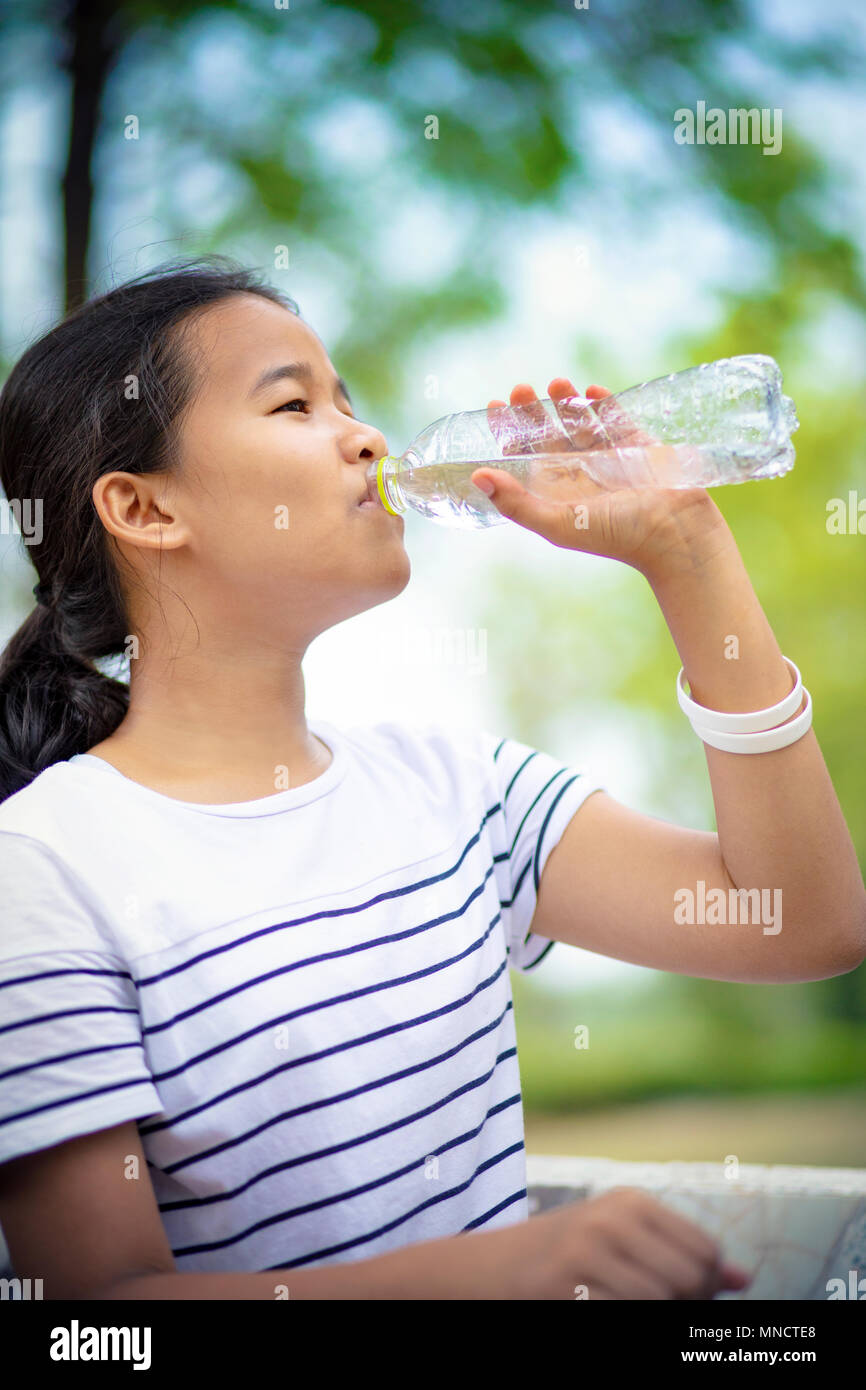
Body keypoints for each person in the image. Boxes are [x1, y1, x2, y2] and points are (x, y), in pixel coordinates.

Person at [0, 256, 861, 1300]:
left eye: (348, 397)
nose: (364, 436)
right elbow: (100, 1320)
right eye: (292, 403)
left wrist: (686, 554)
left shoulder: (456, 790)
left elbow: (798, 923)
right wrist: (484, 1276)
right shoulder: (43, 867)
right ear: (143, 508)